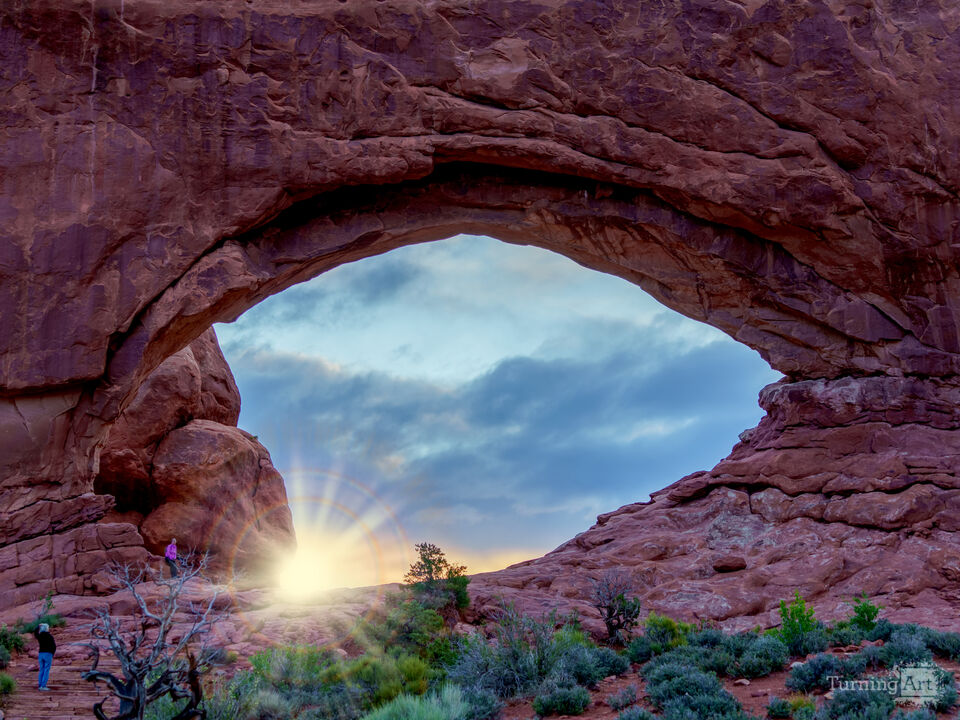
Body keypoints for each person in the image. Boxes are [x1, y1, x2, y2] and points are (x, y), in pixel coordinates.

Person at [34, 622, 56, 691]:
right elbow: (54, 646)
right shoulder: (50, 636)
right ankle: (43, 686)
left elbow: (35, 633)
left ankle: (40, 685)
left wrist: (38, 626)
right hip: (48, 654)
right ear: (47, 628)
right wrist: (52, 653)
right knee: (46, 670)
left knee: (41, 670)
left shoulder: (40, 636)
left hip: (41, 654)